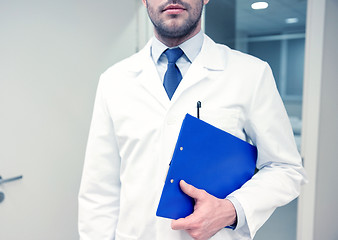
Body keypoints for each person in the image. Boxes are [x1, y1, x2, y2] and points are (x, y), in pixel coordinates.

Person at [78, 0, 307, 239]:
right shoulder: (114, 81)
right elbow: (99, 191)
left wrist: (232, 209)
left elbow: (286, 168)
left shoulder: (251, 74)